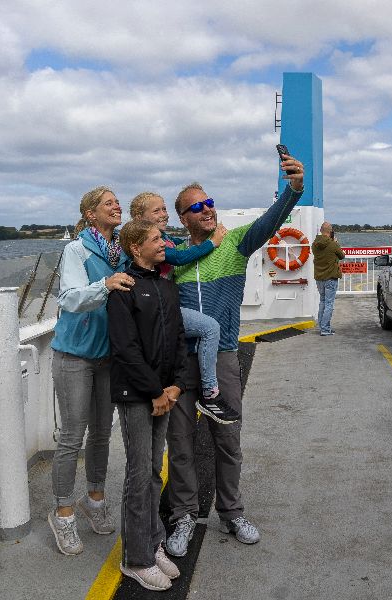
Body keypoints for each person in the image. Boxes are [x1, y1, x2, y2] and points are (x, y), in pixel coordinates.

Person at [164, 149, 305, 557]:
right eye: (197, 206)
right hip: (179, 360)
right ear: (182, 217)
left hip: (223, 354)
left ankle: (231, 511)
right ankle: (185, 515)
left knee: (228, 438)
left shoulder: (237, 243)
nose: (208, 210)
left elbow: (271, 221)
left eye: (210, 202)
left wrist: (294, 188)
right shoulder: (172, 256)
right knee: (181, 441)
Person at [48, 186, 132, 555]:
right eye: (108, 203)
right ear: (90, 213)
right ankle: (63, 512)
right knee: (72, 436)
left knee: (100, 434)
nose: (117, 206)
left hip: (107, 356)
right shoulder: (76, 249)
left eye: (118, 201)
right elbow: (68, 298)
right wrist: (106, 285)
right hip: (75, 356)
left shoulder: (121, 252)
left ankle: (94, 501)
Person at [108, 220, 187, 591]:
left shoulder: (167, 287)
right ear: (136, 248)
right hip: (137, 395)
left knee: (156, 470)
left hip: (164, 393)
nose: (163, 243)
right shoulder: (124, 290)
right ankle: (134, 559)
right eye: (156, 239)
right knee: (138, 475)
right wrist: (155, 390)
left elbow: (178, 340)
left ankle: (152, 542)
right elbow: (125, 348)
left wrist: (176, 386)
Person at [129, 192, 238, 424]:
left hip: (164, 304)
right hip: (159, 309)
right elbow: (179, 258)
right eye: (156, 210)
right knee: (210, 328)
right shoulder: (150, 242)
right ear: (139, 217)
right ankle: (210, 393)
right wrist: (213, 242)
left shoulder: (164, 239)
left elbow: (179, 247)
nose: (163, 214)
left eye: (164, 209)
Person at [312, 222, 345, 336]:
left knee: (322, 302)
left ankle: (322, 326)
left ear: (321, 230)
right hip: (330, 277)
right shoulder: (333, 244)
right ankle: (325, 329)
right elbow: (341, 256)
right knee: (329, 303)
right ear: (330, 231)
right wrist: (336, 243)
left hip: (319, 277)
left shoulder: (314, 244)